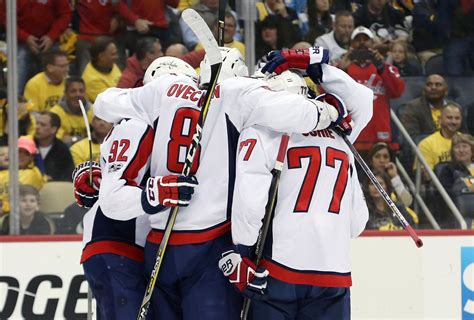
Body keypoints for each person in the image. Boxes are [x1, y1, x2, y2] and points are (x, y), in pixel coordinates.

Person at [92, 47, 348, 319]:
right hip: (211, 247)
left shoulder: (165, 88)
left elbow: (104, 103)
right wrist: (332, 111)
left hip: (160, 243)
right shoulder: (239, 92)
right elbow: (300, 114)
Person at [220, 65, 372, 319]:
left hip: (278, 269)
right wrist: (318, 66)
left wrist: (243, 251)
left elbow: (250, 203)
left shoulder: (262, 131)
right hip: (334, 271)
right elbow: (358, 222)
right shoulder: (340, 138)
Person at [339, 26, 404, 147]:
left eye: (366, 39)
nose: (362, 43)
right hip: (352, 137)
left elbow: (397, 92)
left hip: (380, 136)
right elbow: (326, 94)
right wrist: (341, 70)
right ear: (351, 44)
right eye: (358, 40)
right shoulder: (341, 67)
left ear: (373, 43)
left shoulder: (385, 68)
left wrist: (382, 67)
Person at [0, 0, 72, 93]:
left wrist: (51, 36)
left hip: (50, 41)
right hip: (20, 41)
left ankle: (59, 103)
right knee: (17, 80)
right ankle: (16, 104)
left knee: (58, 76)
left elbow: (65, 14)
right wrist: (24, 37)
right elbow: (4, 16)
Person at [399, 74, 461, 141]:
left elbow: (464, 134)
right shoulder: (413, 107)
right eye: (429, 85)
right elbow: (412, 138)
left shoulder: (455, 107)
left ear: (446, 91)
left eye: (438, 85)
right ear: (424, 90)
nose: (433, 87)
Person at [0, 137, 44, 214]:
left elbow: (24, 202)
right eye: (19, 151)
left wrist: (4, 207)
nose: (21, 156)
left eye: (26, 153)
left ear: (32, 157)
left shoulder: (32, 174)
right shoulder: (3, 173)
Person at [418, 103, 463, 170]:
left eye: (457, 118)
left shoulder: (468, 141)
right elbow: (426, 175)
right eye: (449, 118)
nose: (454, 122)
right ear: (440, 120)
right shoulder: (426, 144)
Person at [50, 77, 93, 145]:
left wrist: (72, 138)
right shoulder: (55, 113)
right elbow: (61, 140)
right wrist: (80, 139)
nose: (78, 94)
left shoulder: (93, 111)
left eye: (81, 91)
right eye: (73, 91)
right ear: (65, 94)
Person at [368, 142, 413, 206]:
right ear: (371, 160)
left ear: (390, 159)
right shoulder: (362, 177)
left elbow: (407, 202)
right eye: (377, 156)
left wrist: (394, 177)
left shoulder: (395, 177)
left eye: (385, 157)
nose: (382, 160)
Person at [34, 112, 74, 181]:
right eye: (37, 123)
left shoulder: (62, 150)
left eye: (42, 125)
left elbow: (69, 176)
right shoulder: (29, 145)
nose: (37, 127)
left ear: (53, 129)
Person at [82, 36, 122, 103]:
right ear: (101, 56)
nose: (117, 57)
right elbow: (110, 103)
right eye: (113, 54)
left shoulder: (109, 64)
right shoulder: (92, 80)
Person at [438, 133, 474, 199]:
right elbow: (446, 193)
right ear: (452, 151)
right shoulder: (448, 170)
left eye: (465, 146)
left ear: (472, 150)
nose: (461, 150)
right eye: (457, 147)